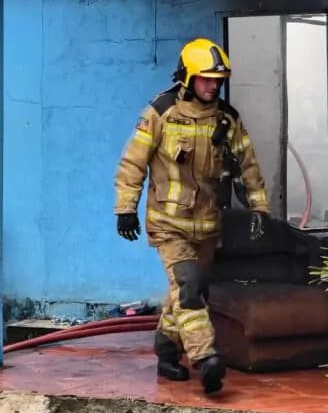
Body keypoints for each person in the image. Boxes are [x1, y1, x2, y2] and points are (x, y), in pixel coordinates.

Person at [114, 38, 269, 394]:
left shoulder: (227, 119)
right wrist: (126, 208)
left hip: (207, 225)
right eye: (205, 79)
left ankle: (167, 349)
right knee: (188, 289)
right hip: (168, 225)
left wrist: (259, 208)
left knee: (186, 289)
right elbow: (132, 162)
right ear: (187, 77)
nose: (213, 86)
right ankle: (205, 357)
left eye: (218, 80)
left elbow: (249, 165)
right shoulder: (161, 112)